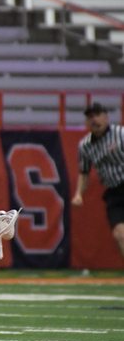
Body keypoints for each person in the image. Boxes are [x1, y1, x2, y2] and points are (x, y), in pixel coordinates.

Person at [72, 102, 124, 261]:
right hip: (114, 193)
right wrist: (78, 194)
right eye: (90, 117)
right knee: (120, 235)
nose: (94, 120)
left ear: (106, 117)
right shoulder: (85, 145)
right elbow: (84, 172)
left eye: (97, 115)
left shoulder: (120, 134)